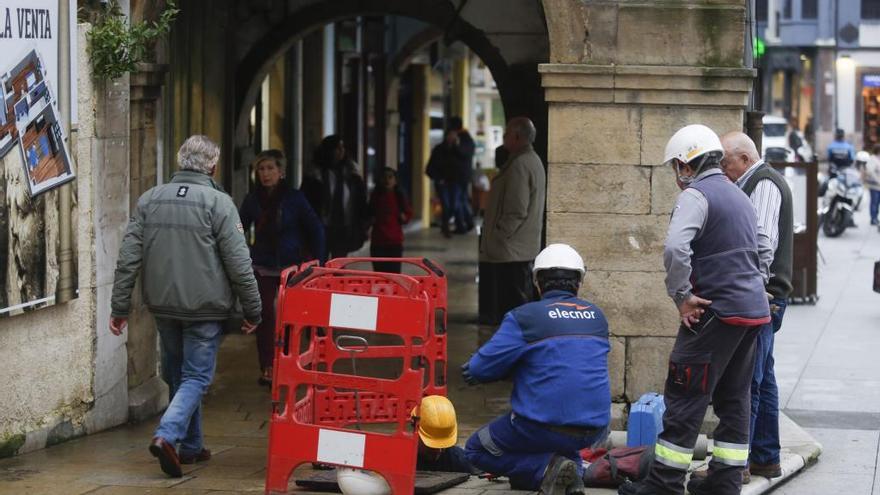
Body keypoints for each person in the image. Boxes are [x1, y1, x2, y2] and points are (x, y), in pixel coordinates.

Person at [620, 125, 771, 495]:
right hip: (750, 314)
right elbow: (764, 246)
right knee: (734, 400)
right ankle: (724, 482)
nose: (677, 174)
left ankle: (664, 484)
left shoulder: (697, 195)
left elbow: (675, 248)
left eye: (677, 165)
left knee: (685, 394)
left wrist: (682, 296)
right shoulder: (739, 196)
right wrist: (752, 284)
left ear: (688, 164)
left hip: (713, 313)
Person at [109, 135, 262, 478]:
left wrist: (119, 307)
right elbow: (239, 262)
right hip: (205, 308)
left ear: (180, 162)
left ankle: (192, 446)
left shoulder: (149, 200)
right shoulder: (219, 203)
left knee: (178, 375)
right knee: (196, 376)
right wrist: (254, 310)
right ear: (213, 166)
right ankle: (167, 435)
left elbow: (128, 259)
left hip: (163, 306)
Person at [463, 243, 611, 495]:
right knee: (565, 446)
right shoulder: (597, 317)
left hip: (539, 427)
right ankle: (568, 474)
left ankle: (543, 469)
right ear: (579, 282)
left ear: (537, 283)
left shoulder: (525, 317)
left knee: (476, 449)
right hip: (595, 430)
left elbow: (478, 369)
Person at [703, 132, 792, 485]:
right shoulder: (753, 182)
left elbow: (762, 246)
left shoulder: (764, 183)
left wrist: (748, 289)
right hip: (763, 295)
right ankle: (766, 458)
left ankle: (736, 464)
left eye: (725, 163)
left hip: (763, 296)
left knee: (746, 382)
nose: (723, 171)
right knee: (763, 378)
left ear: (743, 158)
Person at [239, 149, 326, 386]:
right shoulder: (252, 199)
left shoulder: (295, 198)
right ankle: (268, 365)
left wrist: (320, 264)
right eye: (261, 169)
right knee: (264, 314)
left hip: (292, 265)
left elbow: (315, 228)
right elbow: (238, 228)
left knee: (291, 316)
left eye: (270, 168)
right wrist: (241, 253)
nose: (265, 174)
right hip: (263, 264)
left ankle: (289, 361)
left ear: (281, 172)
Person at [478, 117, 546, 326]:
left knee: (513, 304)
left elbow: (516, 210)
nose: (504, 138)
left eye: (506, 134)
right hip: (518, 246)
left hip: (511, 249)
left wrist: (499, 235)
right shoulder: (529, 160)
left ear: (517, 137)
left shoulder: (520, 165)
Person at [301, 135, 369, 258]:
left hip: (344, 227)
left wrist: (364, 226)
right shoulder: (315, 175)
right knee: (320, 263)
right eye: (337, 148)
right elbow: (305, 202)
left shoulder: (351, 174)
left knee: (339, 264)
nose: (341, 151)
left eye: (342, 147)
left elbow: (361, 202)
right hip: (320, 227)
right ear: (328, 150)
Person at [426, 117, 476, 237]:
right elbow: (430, 167)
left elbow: (465, 156)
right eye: (450, 134)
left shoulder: (464, 142)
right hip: (444, 182)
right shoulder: (440, 149)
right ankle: (450, 226)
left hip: (457, 181)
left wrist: (457, 145)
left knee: (455, 204)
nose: (451, 137)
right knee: (450, 204)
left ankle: (461, 224)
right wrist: (438, 178)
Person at [412, 395, 479, 474]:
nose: (439, 451)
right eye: (432, 446)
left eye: (443, 445)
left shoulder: (460, 461)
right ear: (415, 430)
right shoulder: (400, 460)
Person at [368, 167, 413, 273]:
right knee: (380, 273)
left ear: (395, 180)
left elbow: (408, 213)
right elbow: (369, 214)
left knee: (394, 274)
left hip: (394, 242)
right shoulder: (375, 196)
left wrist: (404, 217)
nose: (387, 180)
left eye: (390, 177)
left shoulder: (399, 195)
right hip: (378, 241)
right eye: (384, 177)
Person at [865, 145, 880, 226]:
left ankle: (876, 217)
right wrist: (878, 180)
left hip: (879, 186)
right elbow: (870, 171)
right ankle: (873, 218)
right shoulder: (873, 159)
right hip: (875, 186)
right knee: (874, 202)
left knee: (877, 203)